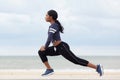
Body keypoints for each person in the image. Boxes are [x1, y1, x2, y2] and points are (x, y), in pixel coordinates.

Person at [38, 10, 104, 76]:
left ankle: (97, 67)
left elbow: (49, 38)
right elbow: (50, 38)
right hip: (57, 48)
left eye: (46, 15)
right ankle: (49, 69)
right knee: (41, 52)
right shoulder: (53, 25)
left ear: (51, 17)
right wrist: (45, 48)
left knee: (76, 61)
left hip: (62, 47)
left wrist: (45, 47)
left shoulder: (53, 26)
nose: (45, 17)